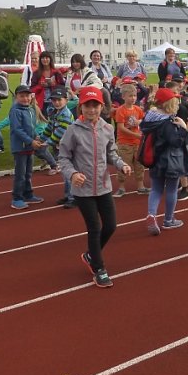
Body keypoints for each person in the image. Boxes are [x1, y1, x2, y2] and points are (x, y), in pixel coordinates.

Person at [57, 86, 131, 288]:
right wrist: (72, 174)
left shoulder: (107, 128)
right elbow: (63, 158)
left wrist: (121, 164)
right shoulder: (73, 130)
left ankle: (91, 255)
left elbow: (111, 153)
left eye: (96, 106)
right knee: (94, 228)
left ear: (102, 107)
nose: (92, 110)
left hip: (104, 186)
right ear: (81, 107)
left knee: (111, 225)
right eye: (88, 106)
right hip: (83, 189)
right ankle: (99, 268)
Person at [141, 87, 188, 234]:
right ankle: (169, 219)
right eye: (175, 101)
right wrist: (182, 129)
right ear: (169, 104)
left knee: (156, 189)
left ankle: (151, 214)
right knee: (171, 189)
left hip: (155, 159)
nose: (177, 104)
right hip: (171, 160)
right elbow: (175, 141)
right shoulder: (168, 122)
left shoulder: (149, 118)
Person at [9, 84, 45, 210]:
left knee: (28, 173)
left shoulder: (30, 110)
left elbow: (31, 128)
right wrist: (30, 141)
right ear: (16, 97)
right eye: (22, 96)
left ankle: (28, 194)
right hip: (20, 148)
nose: (25, 98)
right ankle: (17, 198)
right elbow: (17, 129)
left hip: (29, 147)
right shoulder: (15, 111)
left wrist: (36, 137)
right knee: (21, 174)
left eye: (28, 96)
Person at [39, 87, 77, 208]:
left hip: (68, 147)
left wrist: (47, 142)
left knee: (69, 173)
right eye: (54, 100)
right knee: (65, 173)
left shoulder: (65, 114)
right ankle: (68, 195)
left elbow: (61, 131)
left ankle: (73, 198)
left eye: (59, 100)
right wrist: (41, 138)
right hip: (59, 147)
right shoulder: (55, 113)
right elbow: (50, 128)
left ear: (66, 100)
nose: (56, 102)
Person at [112, 84, 147, 199]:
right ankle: (121, 187)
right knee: (124, 164)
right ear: (123, 97)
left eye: (134, 96)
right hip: (124, 143)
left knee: (139, 165)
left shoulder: (137, 109)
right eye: (130, 96)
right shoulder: (121, 110)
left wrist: (140, 122)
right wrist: (136, 135)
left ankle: (140, 186)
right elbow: (121, 128)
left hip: (137, 143)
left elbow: (144, 119)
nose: (133, 98)